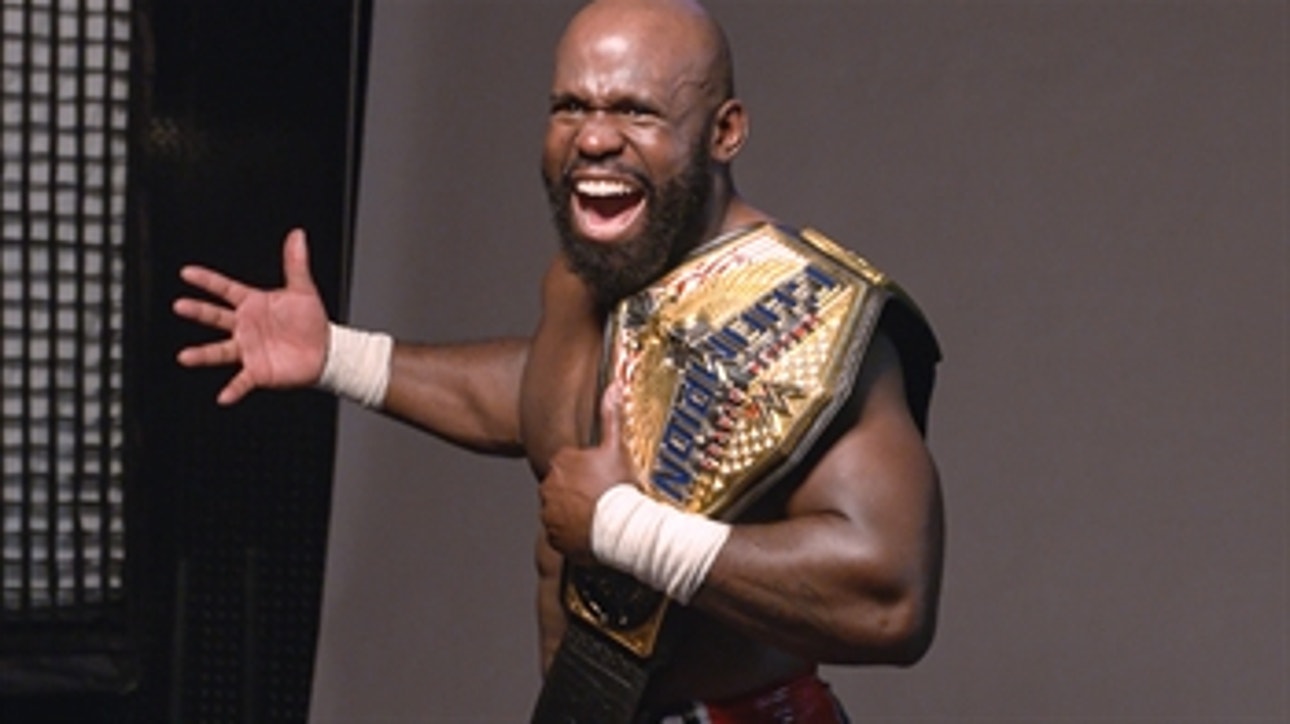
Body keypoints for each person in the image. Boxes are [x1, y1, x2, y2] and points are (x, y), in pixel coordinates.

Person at [173, 0, 944, 721]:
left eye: (636, 110)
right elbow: (540, 398)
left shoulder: (810, 320)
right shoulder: (583, 278)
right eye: (571, 105)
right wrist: (339, 356)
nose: (595, 138)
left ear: (725, 131)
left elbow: (890, 598)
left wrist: (625, 529)